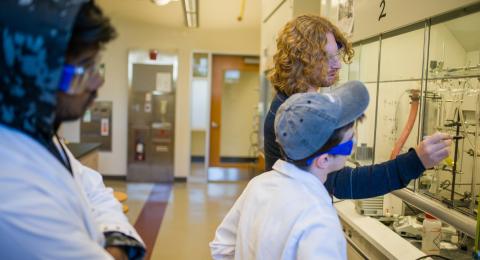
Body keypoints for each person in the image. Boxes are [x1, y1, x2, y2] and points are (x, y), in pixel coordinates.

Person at [211, 81, 425, 259]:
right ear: (323, 160)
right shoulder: (319, 220)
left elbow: (221, 248)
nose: (355, 142)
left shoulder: (259, 185)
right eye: (351, 139)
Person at [0, 1, 144, 259]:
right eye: (84, 67)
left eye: (96, 65)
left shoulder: (36, 132)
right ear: (35, 71)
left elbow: (94, 188)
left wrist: (115, 238)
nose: (98, 81)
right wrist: (118, 250)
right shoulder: (10, 189)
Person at [264, 14, 451, 199]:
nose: (337, 65)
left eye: (336, 54)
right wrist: (415, 162)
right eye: (326, 58)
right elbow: (341, 182)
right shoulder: (296, 116)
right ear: (301, 59)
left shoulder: (297, 102)